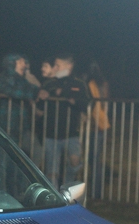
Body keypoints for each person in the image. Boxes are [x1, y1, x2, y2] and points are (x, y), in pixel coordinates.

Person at [38, 54, 89, 186]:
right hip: (51, 133)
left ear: (69, 66)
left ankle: (67, 188)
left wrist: (72, 100)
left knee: (75, 162)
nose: (55, 68)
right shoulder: (49, 83)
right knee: (52, 171)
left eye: (58, 65)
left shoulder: (79, 83)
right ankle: (54, 195)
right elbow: (39, 106)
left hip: (71, 132)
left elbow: (87, 103)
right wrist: (41, 97)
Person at [86, 61, 111, 200]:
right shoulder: (102, 83)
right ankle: (96, 192)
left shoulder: (90, 83)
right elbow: (105, 103)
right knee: (95, 160)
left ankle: (96, 192)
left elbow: (96, 104)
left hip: (96, 123)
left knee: (94, 160)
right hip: (101, 122)